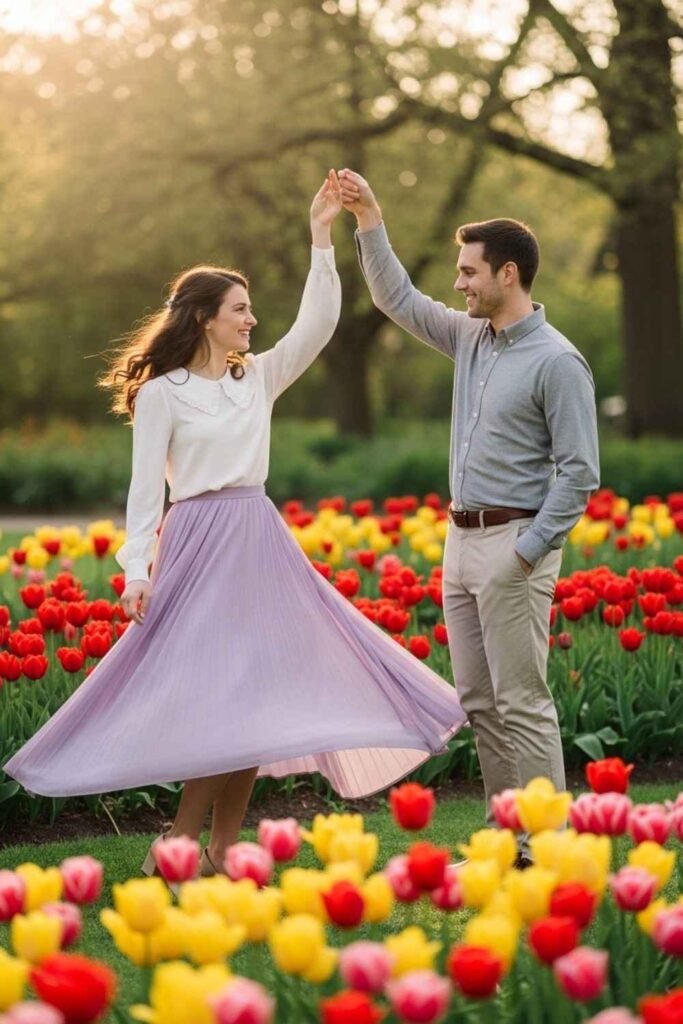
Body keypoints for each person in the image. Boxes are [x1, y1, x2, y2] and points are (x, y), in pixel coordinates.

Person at [4, 171, 466, 879]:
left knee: (260, 699)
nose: (251, 320)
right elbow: (142, 492)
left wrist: (320, 235)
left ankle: (219, 849)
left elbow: (317, 323)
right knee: (216, 700)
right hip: (195, 543)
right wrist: (134, 572)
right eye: (239, 309)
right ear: (203, 317)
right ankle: (181, 844)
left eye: (250, 310)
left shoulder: (257, 379)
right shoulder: (162, 394)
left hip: (257, 539)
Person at [338, 169, 600, 861]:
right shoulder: (469, 339)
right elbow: (394, 296)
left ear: (507, 274)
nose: (458, 284)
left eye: (468, 272)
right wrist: (369, 219)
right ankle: (504, 835)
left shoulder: (558, 362)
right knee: (479, 703)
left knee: (521, 702)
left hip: (514, 544)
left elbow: (579, 473)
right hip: (460, 540)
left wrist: (527, 550)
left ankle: (546, 846)